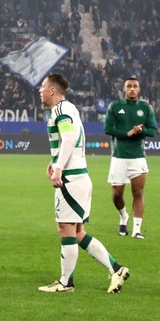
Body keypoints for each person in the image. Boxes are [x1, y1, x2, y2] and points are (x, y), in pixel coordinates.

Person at [36, 73, 130, 294]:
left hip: (71, 179)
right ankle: (116, 269)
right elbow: (71, 140)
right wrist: (55, 160)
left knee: (65, 230)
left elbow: (69, 139)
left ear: (52, 91)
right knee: (78, 233)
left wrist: (59, 167)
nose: (40, 90)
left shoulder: (60, 110)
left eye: (42, 87)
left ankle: (65, 283)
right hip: (79, 176)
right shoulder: (70, 109)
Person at [103, 76, 157, 239]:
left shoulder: (146, 108)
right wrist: (127, 133)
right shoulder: (115, 106)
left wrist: (141, 131)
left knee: (138, 192)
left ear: (139, 90)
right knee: (117, 194)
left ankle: (137, 230)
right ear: (124, 89)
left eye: (135, 86)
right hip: (119, 156)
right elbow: (107, 128)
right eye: (129, 86)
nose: (132, 89)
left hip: (138, 157)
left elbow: (153, 131)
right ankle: (123, 216)